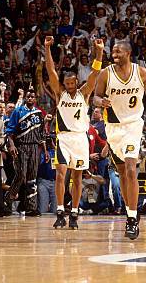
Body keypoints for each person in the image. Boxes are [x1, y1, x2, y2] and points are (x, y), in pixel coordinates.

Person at [94, 40, 146, 239]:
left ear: (128, 53)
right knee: (122, 171)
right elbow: (95, 96)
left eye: (118, 51)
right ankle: (132, 207)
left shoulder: (141, 72)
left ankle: (130, 218)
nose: (114, 53)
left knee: (131, 167)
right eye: (112, 50)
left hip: (133, 124)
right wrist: (100, 102)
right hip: (113, 127)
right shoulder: (106, 73)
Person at [45, 36, 104, 230]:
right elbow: (51, 70)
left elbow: (95, 73)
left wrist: (99, 51)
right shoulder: (59, 93)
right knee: (61, 174)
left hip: (80, 138)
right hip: (63, 138)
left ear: (76, 82)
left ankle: (75, 213)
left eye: (72, 83)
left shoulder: (84, 93)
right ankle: (60, 211)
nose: (70, 86)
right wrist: (47, 48)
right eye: (67, 84)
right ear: (64, 83)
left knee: (77, 177)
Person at [5, 90, 47, 216]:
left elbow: (42, 133)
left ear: (35, 98)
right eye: (28, 96)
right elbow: (9, 131)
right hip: (21, 146)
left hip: (34, 147)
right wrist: (11, 145)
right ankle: (9, 200)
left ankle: (31, 207)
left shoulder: (39, 113)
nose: (30, 98)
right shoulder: (17, 111)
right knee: (20, 176)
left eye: (32, 96)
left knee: (32, 178)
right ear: (25, 98)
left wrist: (45, 150)